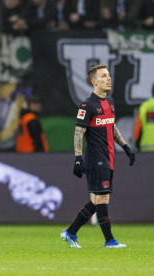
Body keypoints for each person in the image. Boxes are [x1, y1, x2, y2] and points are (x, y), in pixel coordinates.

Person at [61, 64, 135, 248]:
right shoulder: (87, 105)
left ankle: (70, 232)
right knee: (102, 199)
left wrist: (125, 146)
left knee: (98, 200)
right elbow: (78, 132)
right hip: (95, 158)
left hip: (109, 157)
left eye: (109, 75)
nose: (109, 78)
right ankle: (109, 240)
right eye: (103, 76)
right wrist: (78, 158)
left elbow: (112, 125)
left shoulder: (110, 102)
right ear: (94, 82)